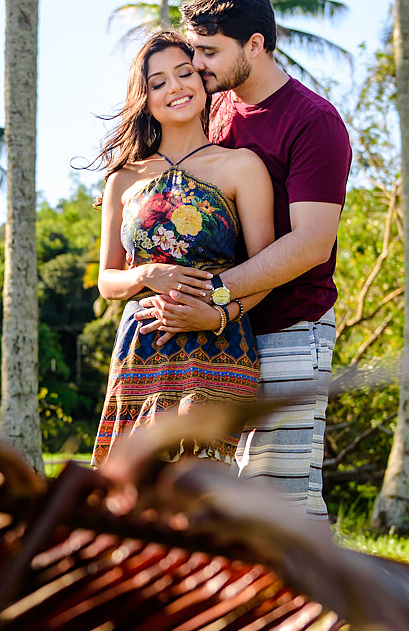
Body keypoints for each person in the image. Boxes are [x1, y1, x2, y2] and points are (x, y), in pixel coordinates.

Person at [135, 0, 353, 521]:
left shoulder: (314, 121)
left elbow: (309, 244)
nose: (198, 64)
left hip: (289, 327)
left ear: (255, 45)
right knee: (233, 500)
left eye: (209, 51)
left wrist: (214, 297)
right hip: (219, 333)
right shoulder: (221, 108)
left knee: (277, 497)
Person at [89, 29, 275, 469]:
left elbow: (268, 268)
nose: (175, 87)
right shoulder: (123, 179)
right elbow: (106, 281)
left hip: (219, 345)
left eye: (184, 73)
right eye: (158, 82)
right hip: (141, 349)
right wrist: (143, 276)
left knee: (200, 495)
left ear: (202, 80)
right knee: (134, 497)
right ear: (146, 98)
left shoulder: (241, 166)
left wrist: (218, 313)